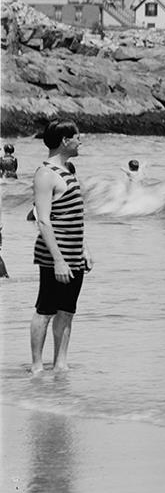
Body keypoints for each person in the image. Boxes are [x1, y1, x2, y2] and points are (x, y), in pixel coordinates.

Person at [30, 120, 90, 373]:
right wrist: (58, 260)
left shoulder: (68, 170)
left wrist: (84, 249)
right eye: (77, 137)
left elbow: (73, 215)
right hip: (55, 256)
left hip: (74, 253)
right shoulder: (46, 174)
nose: (81, 141)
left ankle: (60, 364)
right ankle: (36, 367)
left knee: (67, 311)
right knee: (45, 310)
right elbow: (42, 219)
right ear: (65, 140)